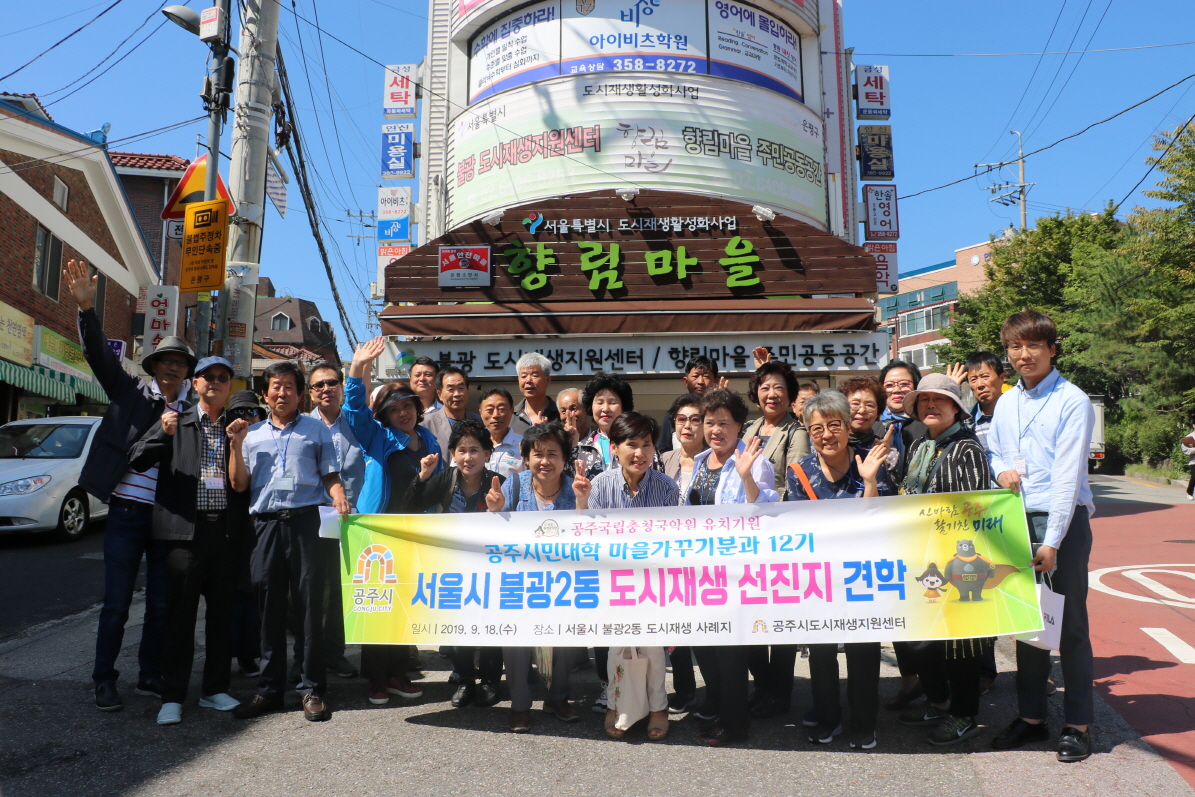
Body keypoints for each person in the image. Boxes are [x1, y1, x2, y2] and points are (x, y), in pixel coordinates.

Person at [64, 259, 187, 712]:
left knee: (159, 604)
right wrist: (86, 310)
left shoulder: (190, 414)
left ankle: (150, 674)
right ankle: (104, 678)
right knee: (115, 603)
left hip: (165, 521)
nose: (171, 370)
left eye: (179, 365)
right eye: (164, 363)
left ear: (185, 373)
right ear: (153, 366)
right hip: (125, 515)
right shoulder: (130, 391)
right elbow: (98, 354)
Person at [987, 310, 1097, 763]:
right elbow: (994, 448)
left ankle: (1079, 724)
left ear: (1053, 349)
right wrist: (1000, 470)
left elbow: (1069, 479)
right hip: (1015, 519)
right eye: (1015, 346)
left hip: (1062, 525)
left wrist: (1051, 540)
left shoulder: (1073, 400)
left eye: (1033, 345)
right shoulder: (1008, 401)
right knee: (1027, 627)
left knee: (1069, 626)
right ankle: (1032, 718)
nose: (1023, 355)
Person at [228, 360, 351, 722]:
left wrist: (340, 495)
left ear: (300, 394)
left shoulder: (315, 430)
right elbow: (238, 484)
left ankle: (312, 688)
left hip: (306, 523)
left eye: (289, 387)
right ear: (265, 394)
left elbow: (330, 474)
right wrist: (235, 445)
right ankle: (269, 690)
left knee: (310, 606)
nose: (282, 392)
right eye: (275, 386)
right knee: (269, 609)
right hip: (265, 526)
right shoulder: (250, 435)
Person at [127, 356, 245, 725]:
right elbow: (136, 459)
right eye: (208, 377)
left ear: (230, 385)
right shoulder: (176, 421)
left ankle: (215, 689)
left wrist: (239, 442)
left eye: (223, 378)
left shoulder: (235, 426)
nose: (215, 382)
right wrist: (163, 432)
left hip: (224, 533)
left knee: (222, 615)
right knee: (179, 617)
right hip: (184, 534)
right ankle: (173, 694)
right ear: (194, 384)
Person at [787, 391, 893, 750]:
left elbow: (882, 524)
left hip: (864, 574)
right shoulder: (799, 471)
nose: (827, 435)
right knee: (820, 652)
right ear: (807, 430)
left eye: (834, 425)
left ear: (849, 426)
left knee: (864, 652)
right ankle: (828, 718)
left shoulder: (871, 461)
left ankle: (865, 724)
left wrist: (870, 482)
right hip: (820, 577)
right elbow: (801, 530)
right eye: (817, 429)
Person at [894, 374, 995, 746]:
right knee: (920, 639)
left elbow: (973, 509)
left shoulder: (967, 449)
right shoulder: (920, 445)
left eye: (940, 399)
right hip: (920, 558)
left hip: (956, 560)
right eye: (924, 401)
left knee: (959, 644)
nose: (930, 406)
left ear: (956, 407)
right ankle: (939, 701)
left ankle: (964, 714)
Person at [343, 337, 442, 703]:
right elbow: (354, 412)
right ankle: (376, 679)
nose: (404, 413)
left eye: (409, 406)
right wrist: (357, 370)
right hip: (379, 528)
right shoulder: (378, 437)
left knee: (405, 603)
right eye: (395, 408)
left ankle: (399, 672)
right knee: (377, 603)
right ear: (384, 415)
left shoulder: (429, 439)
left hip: (416, 531)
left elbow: (439, 486)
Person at [575, 412, 678, 741]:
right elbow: (585, 537)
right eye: (631, 445)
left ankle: (658, 707)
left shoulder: (665, 487)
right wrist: (580, 502)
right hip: (613, 583)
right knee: (616, 649)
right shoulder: (601, 484)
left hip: (652, 583)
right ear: (614, 448)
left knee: (652, 648)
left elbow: (673, 544)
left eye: (646, 445)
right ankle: (616, 706)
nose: (640, 453)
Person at [685, 388, 779, 747]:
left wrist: (746, 477)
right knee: (706, 650)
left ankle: (735, 725)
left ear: (740, 425)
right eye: (709, 422)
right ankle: (722, 712)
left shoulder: (753, 461)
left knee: (732, 655)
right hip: (699, 573)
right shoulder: (698, 460)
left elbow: (766, 513)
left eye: (724, 423)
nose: (715, 430)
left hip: (736, 575)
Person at [402, 418, 505, 708]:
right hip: (453, 566)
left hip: (491, 567)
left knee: (490, 627)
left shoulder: (500, 482)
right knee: (459, 627)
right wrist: (422, 476)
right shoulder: (444, 479)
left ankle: (489, 681)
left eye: (475, 450)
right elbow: (410, 508)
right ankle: (463, 680)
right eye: (461, 450)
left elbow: (514, 527)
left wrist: (500, 510)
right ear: (453, 454)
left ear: (487, 454)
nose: (468, 457)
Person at [486, 422, 580, 733]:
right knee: (515, 642)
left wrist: (583, 504)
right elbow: (493, 538)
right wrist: (495, 513)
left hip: (564, 583)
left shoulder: (577, 487)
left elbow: (591, 537)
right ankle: (520, 705)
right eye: (537, 454)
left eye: (553, 453)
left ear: (565, 458)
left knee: (565, 643)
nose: (545, 461)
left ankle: (558, 697)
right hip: (521, 582)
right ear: (526, 458)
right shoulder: (513, 486)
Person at [305, 361, 365, 681]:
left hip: (355, 519)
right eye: (319, 385)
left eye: (332, 382)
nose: (326, 388)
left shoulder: (357, 423)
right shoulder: (302, 427)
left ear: (342, 387)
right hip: (313, 518)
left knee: (344, 588)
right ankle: (309, 656)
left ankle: (335, 652)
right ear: (311, 392)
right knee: (315, 590)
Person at [226, 391, 266, 679]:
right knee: (230, 595)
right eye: (239, 413)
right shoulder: (223, 439)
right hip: (229, 528)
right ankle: (226, 656)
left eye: (252, 413)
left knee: (254, 594)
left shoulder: (268, 439)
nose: (246, 419)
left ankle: (250, 655)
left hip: (262, 528)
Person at [743, 360, 810, 500]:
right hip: (742, 513)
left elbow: (797, 486)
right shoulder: (747, 428)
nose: (772, 394)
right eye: (765, 388)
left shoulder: (796, 433)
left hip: (775, 514)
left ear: (789, 394)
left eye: (779, 388)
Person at [657, 355, 725, 452]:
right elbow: (663, 449)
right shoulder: (672, 414)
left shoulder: (721, 413)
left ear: (716, 381)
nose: (700, 382)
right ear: (686, 381)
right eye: (695, 376)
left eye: (706, 376)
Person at [577, 371, 636, 479]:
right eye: (599, 402)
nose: (605, 409)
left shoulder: (640, 446)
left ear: (624, 407)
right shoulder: (580, 449)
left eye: (612, 402)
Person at [422, 365, 481, 454]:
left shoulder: (479, 421)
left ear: (468, 391)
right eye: (451, 389)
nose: (457, 394)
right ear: (439, 394)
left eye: (461, 388)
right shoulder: (426, 424)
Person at [879, 360, 925, 466]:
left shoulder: (928, 422)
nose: (896, 390)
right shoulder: (873, 423)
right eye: (889, 385)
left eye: (904, 384)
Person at [963, 352, 1006, 452]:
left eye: (985, 376)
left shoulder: (1020, 413)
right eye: (973, 379)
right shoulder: (966, 424)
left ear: (1002, 377)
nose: (980, 384)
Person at [478, 387, 524, 477]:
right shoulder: (472, 443)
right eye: (489, 410)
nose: (496, 415)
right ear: (480, 413)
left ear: (511, 411)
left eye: (502, 409)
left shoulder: (524, 444)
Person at [511, 352, 560, 433]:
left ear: (547, 380)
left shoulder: (560, 414)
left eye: (535, 375)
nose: (528, 380)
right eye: (524, 376)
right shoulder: (510, 415)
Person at [1183, 426, 1195, 501]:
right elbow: (1185, 450)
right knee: (1194, 477)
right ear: (1194, 425)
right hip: (1194, 461)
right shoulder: (1189, 437)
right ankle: (1189, 492)